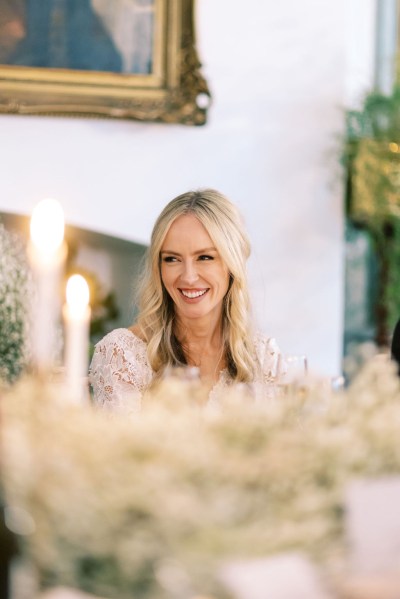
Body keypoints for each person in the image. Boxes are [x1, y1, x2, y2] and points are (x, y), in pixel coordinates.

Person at [89, 189, 282, 413]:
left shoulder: (263, 356)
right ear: (158, 268)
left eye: (205, 257)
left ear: (232, 264)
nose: (188, 277)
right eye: (172, 259)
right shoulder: (123, 354)